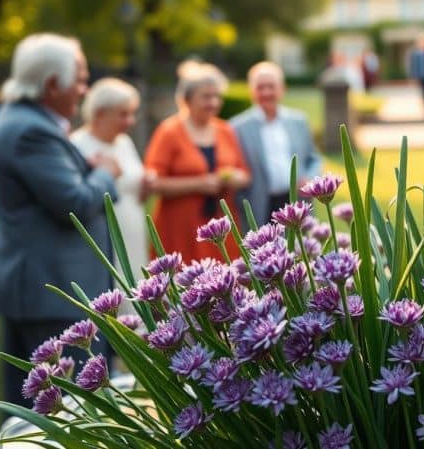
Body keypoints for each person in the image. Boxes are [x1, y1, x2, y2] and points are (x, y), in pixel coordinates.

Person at [0, 33, 119, 409]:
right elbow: (74, 202)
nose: (84, 89)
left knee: (35, 408)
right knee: (68, 412)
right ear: (52, 84)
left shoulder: (21, 119)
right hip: (52, 291)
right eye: (79, 78)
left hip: (34, 283)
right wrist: (105, 173)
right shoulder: (31, 131)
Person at [144, 59, 250, 262]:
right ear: (187, 99)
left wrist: (234, 178)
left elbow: (244, 174)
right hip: (179, 226)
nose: (213, 102)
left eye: (217, 96)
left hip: (221, 227)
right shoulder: (169, 132)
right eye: (206, 97)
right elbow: (153, 182)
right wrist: (198, 184)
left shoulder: (225, 130)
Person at [71, 77, 153, 297]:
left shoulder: (124, 142)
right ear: (100, 113)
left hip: (134, 232)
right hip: (105, 236)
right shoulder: (77, 145)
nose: (130, 121)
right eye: (123, 114)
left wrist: (145, 184)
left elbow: (133, 186)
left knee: (138, 289)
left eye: (132, 113)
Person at [231, 61, 322, 228]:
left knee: (302, 252)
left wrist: (310, 179)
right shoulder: (237, 127)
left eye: (271, 86)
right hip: (259, 205)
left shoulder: (298, 120)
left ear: (282, 89)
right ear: (252, 91)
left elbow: (313, 158)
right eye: (260, 87)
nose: (266, 92)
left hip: (296, 200)